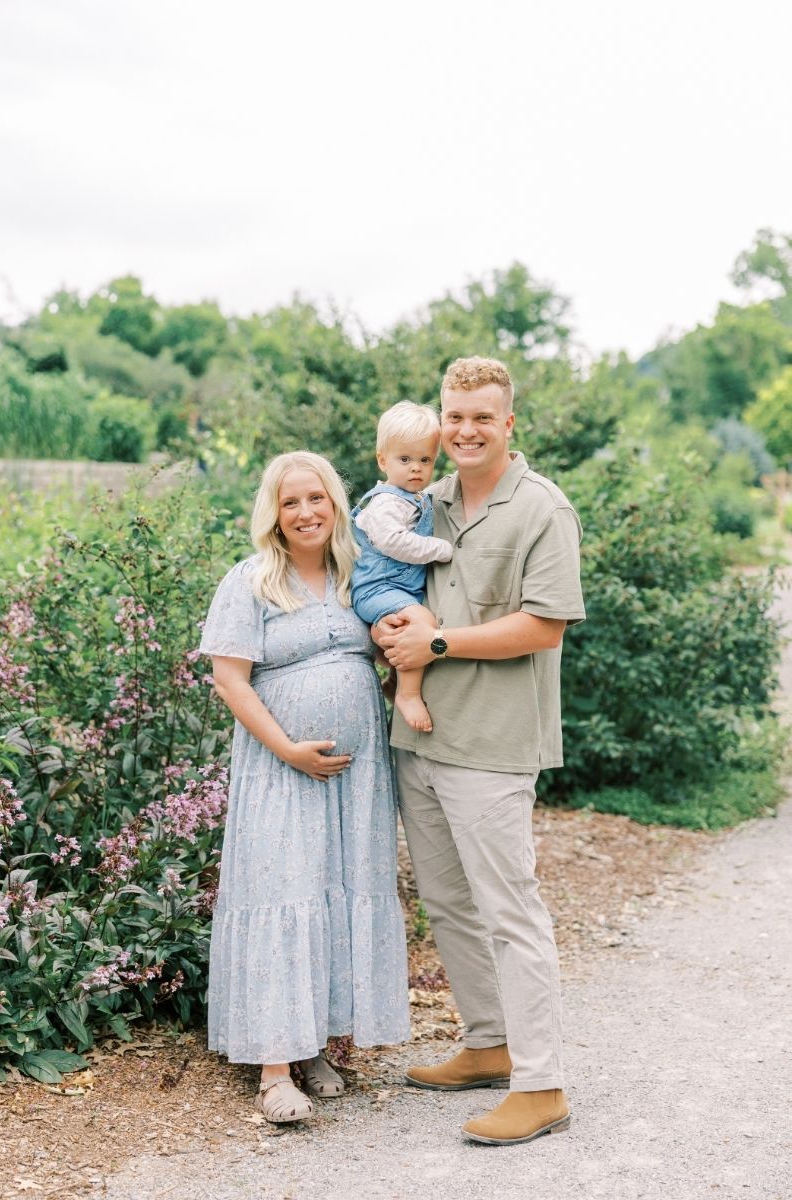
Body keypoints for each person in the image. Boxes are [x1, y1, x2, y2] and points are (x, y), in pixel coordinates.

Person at [379, 356, 584, 1147]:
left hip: (493, 746)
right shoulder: (419, 500)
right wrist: (387, 629)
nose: (464, 431)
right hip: (422, 733)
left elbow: (545, 624)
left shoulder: (541, 509)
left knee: (511, 911)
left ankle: (542, 1086)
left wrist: (435, 640)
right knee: (448, 903)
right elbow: (386, 588)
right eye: (453, 416)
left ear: (509, 423)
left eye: (481, 418)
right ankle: (488, 1042)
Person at [199, 450, 410, 1124]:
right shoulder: (251, 580)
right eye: (291, 502)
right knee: (284, 890)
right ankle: (272, 1071)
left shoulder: (360, 576)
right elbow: (230, 679)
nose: (306, 512)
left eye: (316, 498)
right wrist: (289, 747)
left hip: (356, 778)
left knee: (336, 892)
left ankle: (314, 1045)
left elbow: (394, 645)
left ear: (336, 505)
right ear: (274, 513)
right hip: (280, 768)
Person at [348, 401, 453, 733]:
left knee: (409, 624)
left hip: (394, 588)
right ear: (383, 460)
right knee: (422, 621)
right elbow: (395, 543)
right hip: (376, 588)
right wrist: (440, 549)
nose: (416, 468)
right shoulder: (386, 503)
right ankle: (408, 695)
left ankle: (394, 682)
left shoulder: (414, 498)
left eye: (425, 460)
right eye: (404, 459)